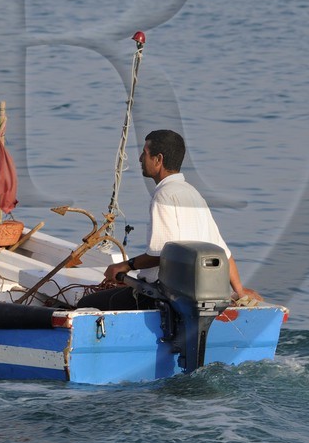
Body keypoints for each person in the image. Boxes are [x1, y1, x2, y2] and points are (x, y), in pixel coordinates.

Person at [76, 129, 261, 311]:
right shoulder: (194, 194)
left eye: (145, 153)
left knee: (85, 304)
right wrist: (239, 291)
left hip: (162, 298)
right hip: (199, 294)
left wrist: (124, 266)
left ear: (158, 159)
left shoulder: (163, 196)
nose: (140, 158)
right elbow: (224, 253)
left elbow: (158, 254)